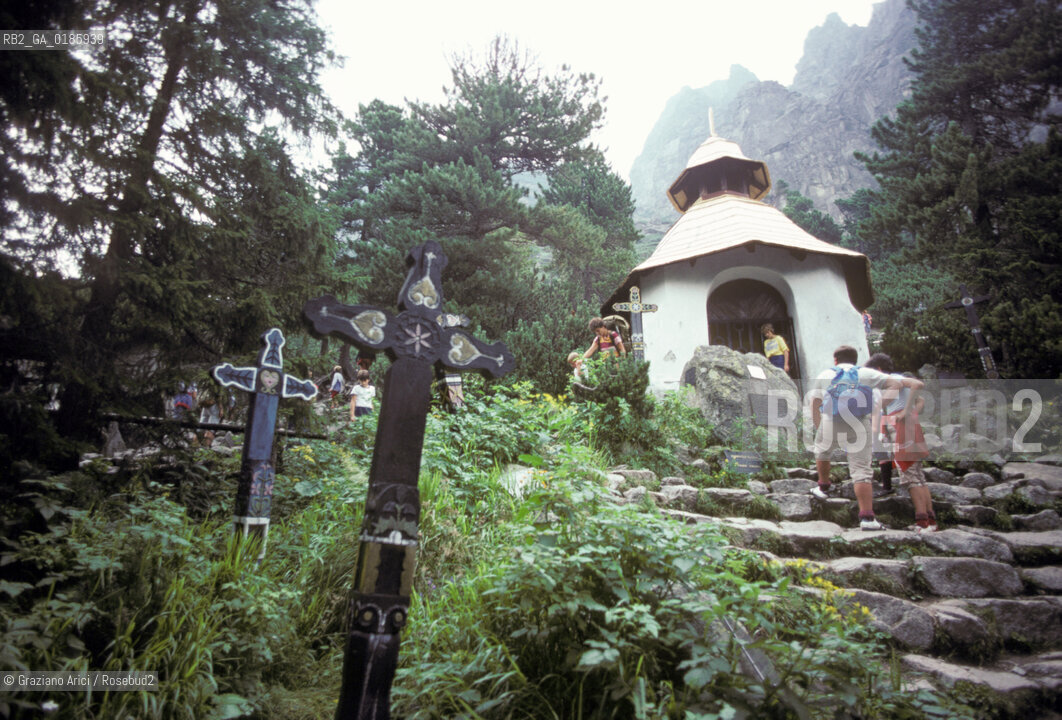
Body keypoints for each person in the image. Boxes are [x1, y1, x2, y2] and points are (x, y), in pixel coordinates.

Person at [809, 345, 917, 531]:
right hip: (859, 421)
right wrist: (879, 404)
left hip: (831, 419)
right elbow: (896, 384)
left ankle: (823, 487)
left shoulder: (825, 373)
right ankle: (867, 518)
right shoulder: (866, 372)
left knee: (822, 451)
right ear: (855, 360)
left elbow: (815, 402)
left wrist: (819, 425)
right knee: (861, 469)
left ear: (835, 360)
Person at [865, 354, 936, 532]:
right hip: (906, 426)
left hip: (901, 428)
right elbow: (921, 400)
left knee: (910, 476)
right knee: (918, 475)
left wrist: (905, 412)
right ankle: (930, 520)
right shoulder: (894, 383)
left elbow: (918, 384)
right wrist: (911, 413)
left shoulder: (893, 379)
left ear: (879, 370)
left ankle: (922, 523)